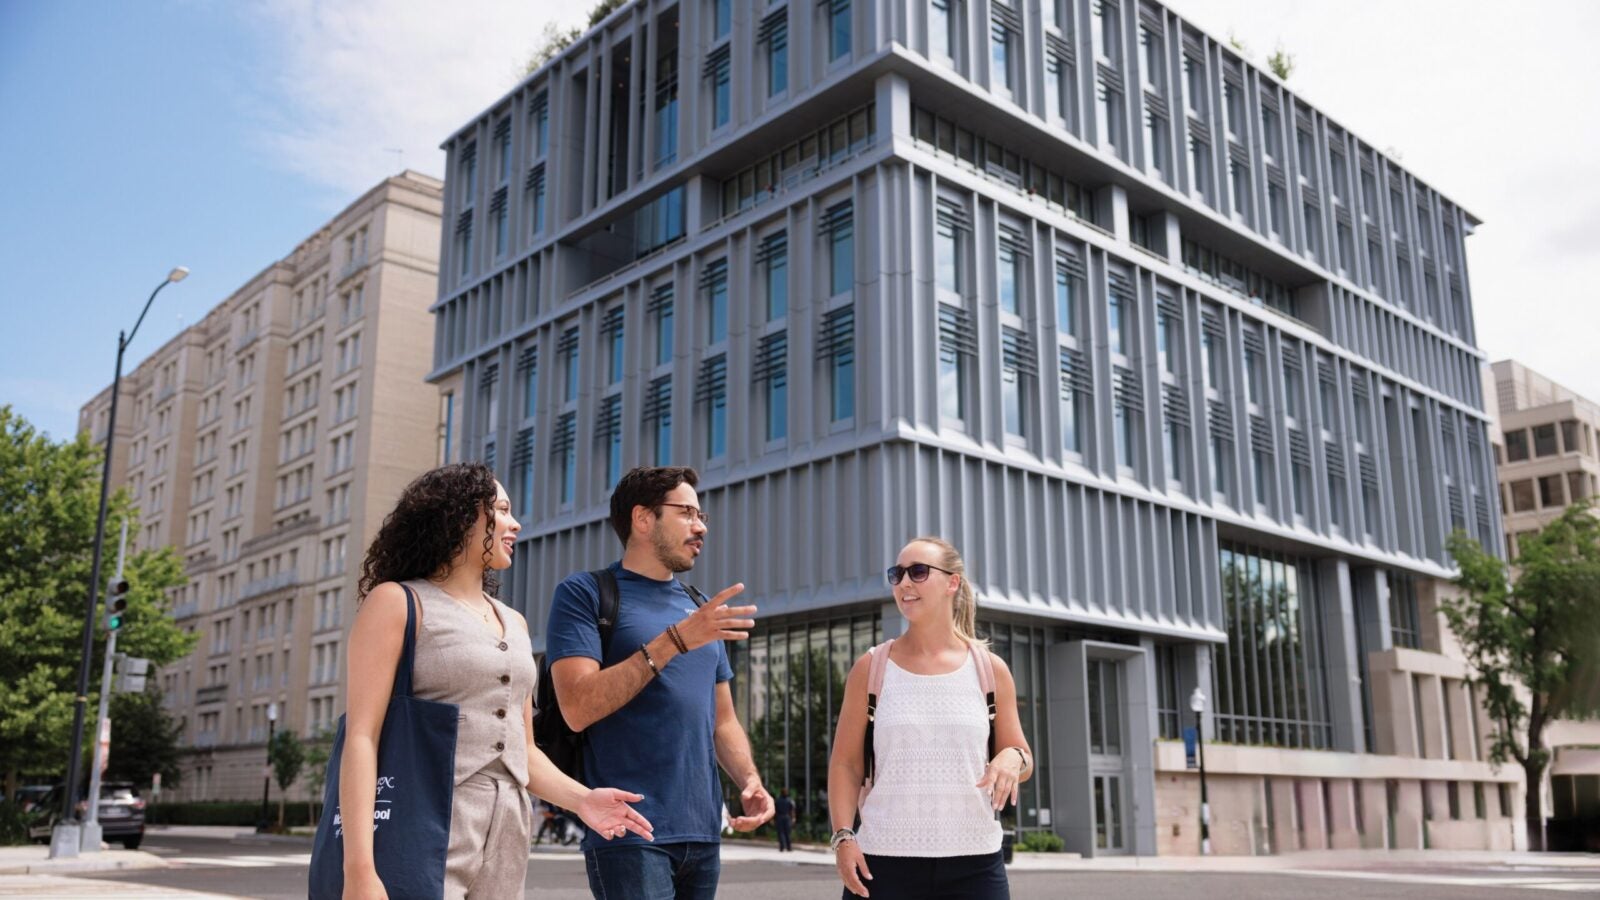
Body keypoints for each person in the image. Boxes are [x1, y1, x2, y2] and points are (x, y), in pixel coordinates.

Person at [339, 463, 653, 900]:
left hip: (508, 827)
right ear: (461, 517)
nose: (515, 523)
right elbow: (361, 738)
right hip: (425, 817)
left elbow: (521, 750)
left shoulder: (515, 622)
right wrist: (358, 870)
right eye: (502, 510)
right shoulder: (397, 602)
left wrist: (582, 800)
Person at [547, 465, 774, 899]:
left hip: (703, 833)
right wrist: (675, 640)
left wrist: (749, 780)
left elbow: (722, 720)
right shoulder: (586, 594)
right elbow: (576, 708)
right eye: (687, 513)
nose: (701, 526)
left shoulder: (699, 607)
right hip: (629, 829)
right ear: (643, 519)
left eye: (702, 515)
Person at [826, 537, 1034, 900]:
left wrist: (1012, 757)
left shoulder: (990, 670)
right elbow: (845, 764)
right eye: (898, 574)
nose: (904, 583)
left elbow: (1024, 757)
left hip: (975, 866)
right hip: (883, 864)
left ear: (952, 582)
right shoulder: (871, 668)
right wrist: (843, 837)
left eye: (918, 572)